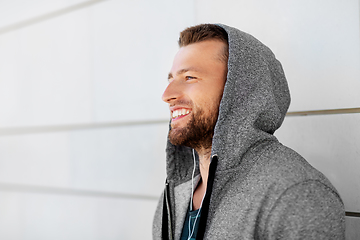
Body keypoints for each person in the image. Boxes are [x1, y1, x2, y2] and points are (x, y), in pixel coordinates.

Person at [153, 23, 345, 240]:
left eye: (189, 77)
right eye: (171, 79)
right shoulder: (176, 192)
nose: (167, 94)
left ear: (239, 92)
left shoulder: (295, 193)